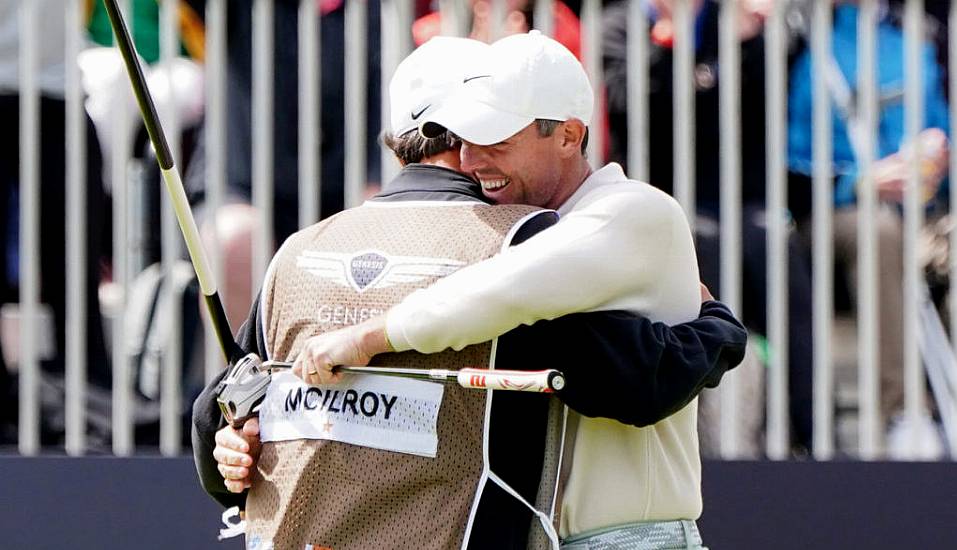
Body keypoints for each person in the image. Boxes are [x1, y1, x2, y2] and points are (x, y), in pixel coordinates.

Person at [197, 36, 745, 550]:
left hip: (623, 535)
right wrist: (715, 329)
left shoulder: (610, 215)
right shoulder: (513, 237)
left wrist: (364, 338)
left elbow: (525, 305)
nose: (476, 160)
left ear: (570, 135)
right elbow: (647, 374)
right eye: (470, 138)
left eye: (497, 140)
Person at [787, 0, 949, 455]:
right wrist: (860, 181)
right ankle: (903, 412)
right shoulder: (804, 41)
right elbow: (786, 157)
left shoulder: (915, 41)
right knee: (877, 231)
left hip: (921, 216)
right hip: (834, 218)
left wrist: (939, 157)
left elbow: (940, 128)